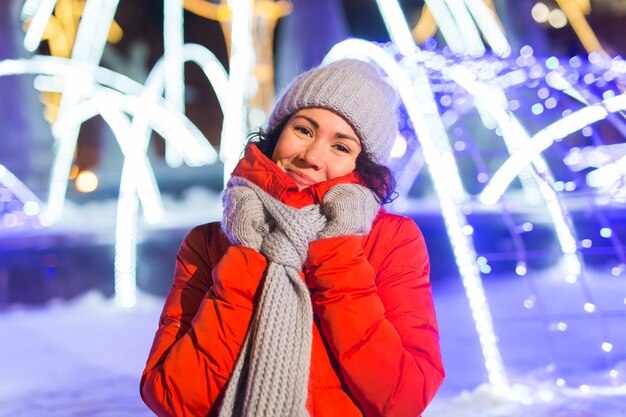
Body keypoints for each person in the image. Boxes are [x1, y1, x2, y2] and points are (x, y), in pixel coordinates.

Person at [140, 59, 445, 417]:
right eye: (304, 130)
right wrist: (246, 258)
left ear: (363, 167)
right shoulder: (209, 242)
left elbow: (404, 398)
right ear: (277, 132)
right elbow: (171, 398)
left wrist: (336, 254)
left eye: (341, 147)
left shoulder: (392, 240)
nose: (311, 156)